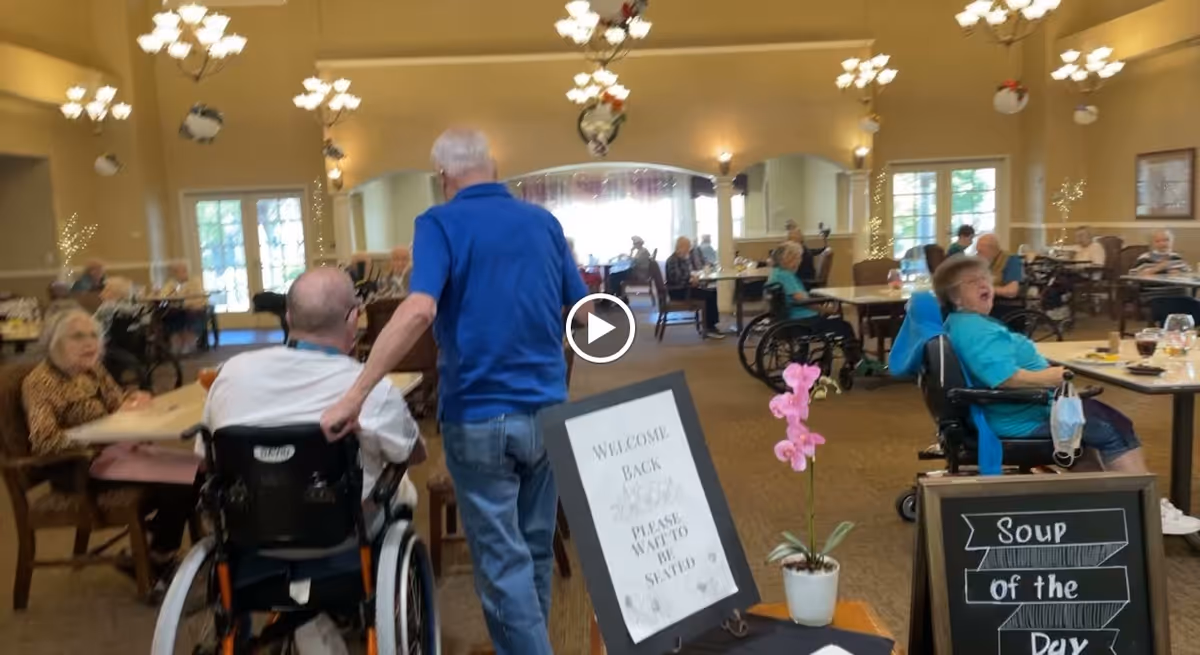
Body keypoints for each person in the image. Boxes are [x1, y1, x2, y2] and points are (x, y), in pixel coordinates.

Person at [321, 128, 589, 655]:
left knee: (502, 560)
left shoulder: (439, 222)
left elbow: (420, 308)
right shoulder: (543, 221)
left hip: (481, 413)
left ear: (443, 177)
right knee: (533, 548)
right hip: (550, 409)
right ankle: (528, 642)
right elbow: (580, 311)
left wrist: (355, 394)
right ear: (490, 165)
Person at [931, 256, 1200, 535]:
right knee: (1113, 427)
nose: (984, 284)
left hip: (1017, 408)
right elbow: (1008, 379)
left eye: (985, 278)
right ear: (955, 297)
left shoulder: (965, 323)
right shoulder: (975, 330)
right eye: (972, 282)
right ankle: (1148, 510)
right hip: (1022, 414)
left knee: (1091, 433)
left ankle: (1112, 509)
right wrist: (1057, 377)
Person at [203, 268, 425, 529]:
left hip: (250, 526)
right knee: (402, 481)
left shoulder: (231, 373)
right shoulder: (371, 388)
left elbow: (207, 458)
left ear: (288, 316)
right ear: (353, 318)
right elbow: (414, 453)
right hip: (343, 528)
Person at [21, 310, 198, 577]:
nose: (89, 343)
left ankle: (158, 536)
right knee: (182, 479)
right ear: (54, 341)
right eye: (77, 336)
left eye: (93, 335)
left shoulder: (92, 370)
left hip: (116, 452)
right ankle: (157, 558)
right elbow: (43, 440)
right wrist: (90, 438)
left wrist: (132, 399)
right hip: (77, 466)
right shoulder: (40, 382)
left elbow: (116, 402)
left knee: (199, 467)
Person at [768, 242, 862, 370]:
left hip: (787, 319)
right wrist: (826, 309)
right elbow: (803, 301)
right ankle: (856, 361)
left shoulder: (775, 274)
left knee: (831, 320)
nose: (800, 261)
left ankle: (805, 361)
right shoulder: (787, 277)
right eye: (798, 257)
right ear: (789, 259)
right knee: (844, 326)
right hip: (803, 322)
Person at [665, 236, 725, 339]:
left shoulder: (681, 258)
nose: (689, 250)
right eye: (687, 247)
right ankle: (710, 328)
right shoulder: (673, 260)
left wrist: (692, 278)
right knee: (710, 295)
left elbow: (685, 274)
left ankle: (711, 325)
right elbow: (676, 278)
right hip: (678, 292)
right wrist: (691, 280)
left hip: (684, 288)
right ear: (681, 247)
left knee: (712, 291)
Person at [975, 234, 1025, 322]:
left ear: (992, 249)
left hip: (1004, 305)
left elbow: (1012, 291)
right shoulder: (983, 261)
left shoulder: (1010, 260)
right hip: (986, 301)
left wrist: (988, 289)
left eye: (981, 251)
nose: (978, 255)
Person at [160, 262, 208, 354]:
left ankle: (189, 342)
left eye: (182, 271)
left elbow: (199, 299)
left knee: (191, 314)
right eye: (176, 272)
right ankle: (176, 341)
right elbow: (164, 295)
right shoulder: (171, 283)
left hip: (194, 308)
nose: (180, 274)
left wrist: (184, 303)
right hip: (178, 309)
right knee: (170, 314)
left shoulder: (195, 281)